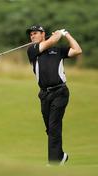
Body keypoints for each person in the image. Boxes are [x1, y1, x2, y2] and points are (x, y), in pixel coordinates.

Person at [26, 25, 82, 166]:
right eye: (31, 34)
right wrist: (57, 35)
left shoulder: (57, 51)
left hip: (60, 92)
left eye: (35, 33)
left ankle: (55, 162)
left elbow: (77, 50)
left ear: (43, 34)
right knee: (50, 129)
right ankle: (61, 155)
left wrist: (67, 34)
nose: (32, 36)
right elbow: (51, 41)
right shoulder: (32, 50)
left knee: (54, 126)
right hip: (44, 95)